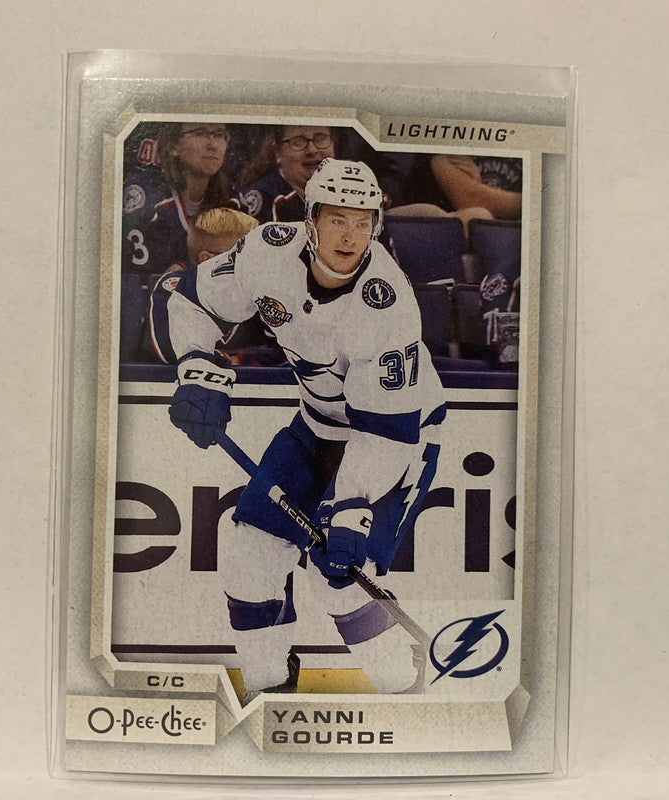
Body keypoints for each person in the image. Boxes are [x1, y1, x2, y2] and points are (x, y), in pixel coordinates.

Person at [164, 159, 446, 701]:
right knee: (249, 562)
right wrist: (198, 370)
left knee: (336, 580)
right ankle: (270, 692)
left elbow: (385, 433)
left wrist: (350, 509)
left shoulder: (387, 305)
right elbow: (192, 298)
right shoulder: (267, 251)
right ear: (310, 219)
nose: (351, 236)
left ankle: (404, 686)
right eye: (337, 220)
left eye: (363, 222)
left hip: (398, 439)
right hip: (316, 426)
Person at [146, 207, 283, 366]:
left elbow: (289, 350)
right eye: (244, 254)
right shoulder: (175, 286)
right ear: (207, 260)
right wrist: (224, 360)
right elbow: (168, 346)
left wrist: (243, 358)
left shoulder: (260, 289)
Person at [121, 122, 234, 274]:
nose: (213, 145)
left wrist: (186, 268)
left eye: (219, 135)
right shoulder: (147, 193)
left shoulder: (232, 198)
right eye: (200, 133)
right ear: (173, 146)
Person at [239, 125, 335, 223]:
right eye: (298, 141)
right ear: (278, 152)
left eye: (321, 138)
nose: (312, 150)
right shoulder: (266, 200)